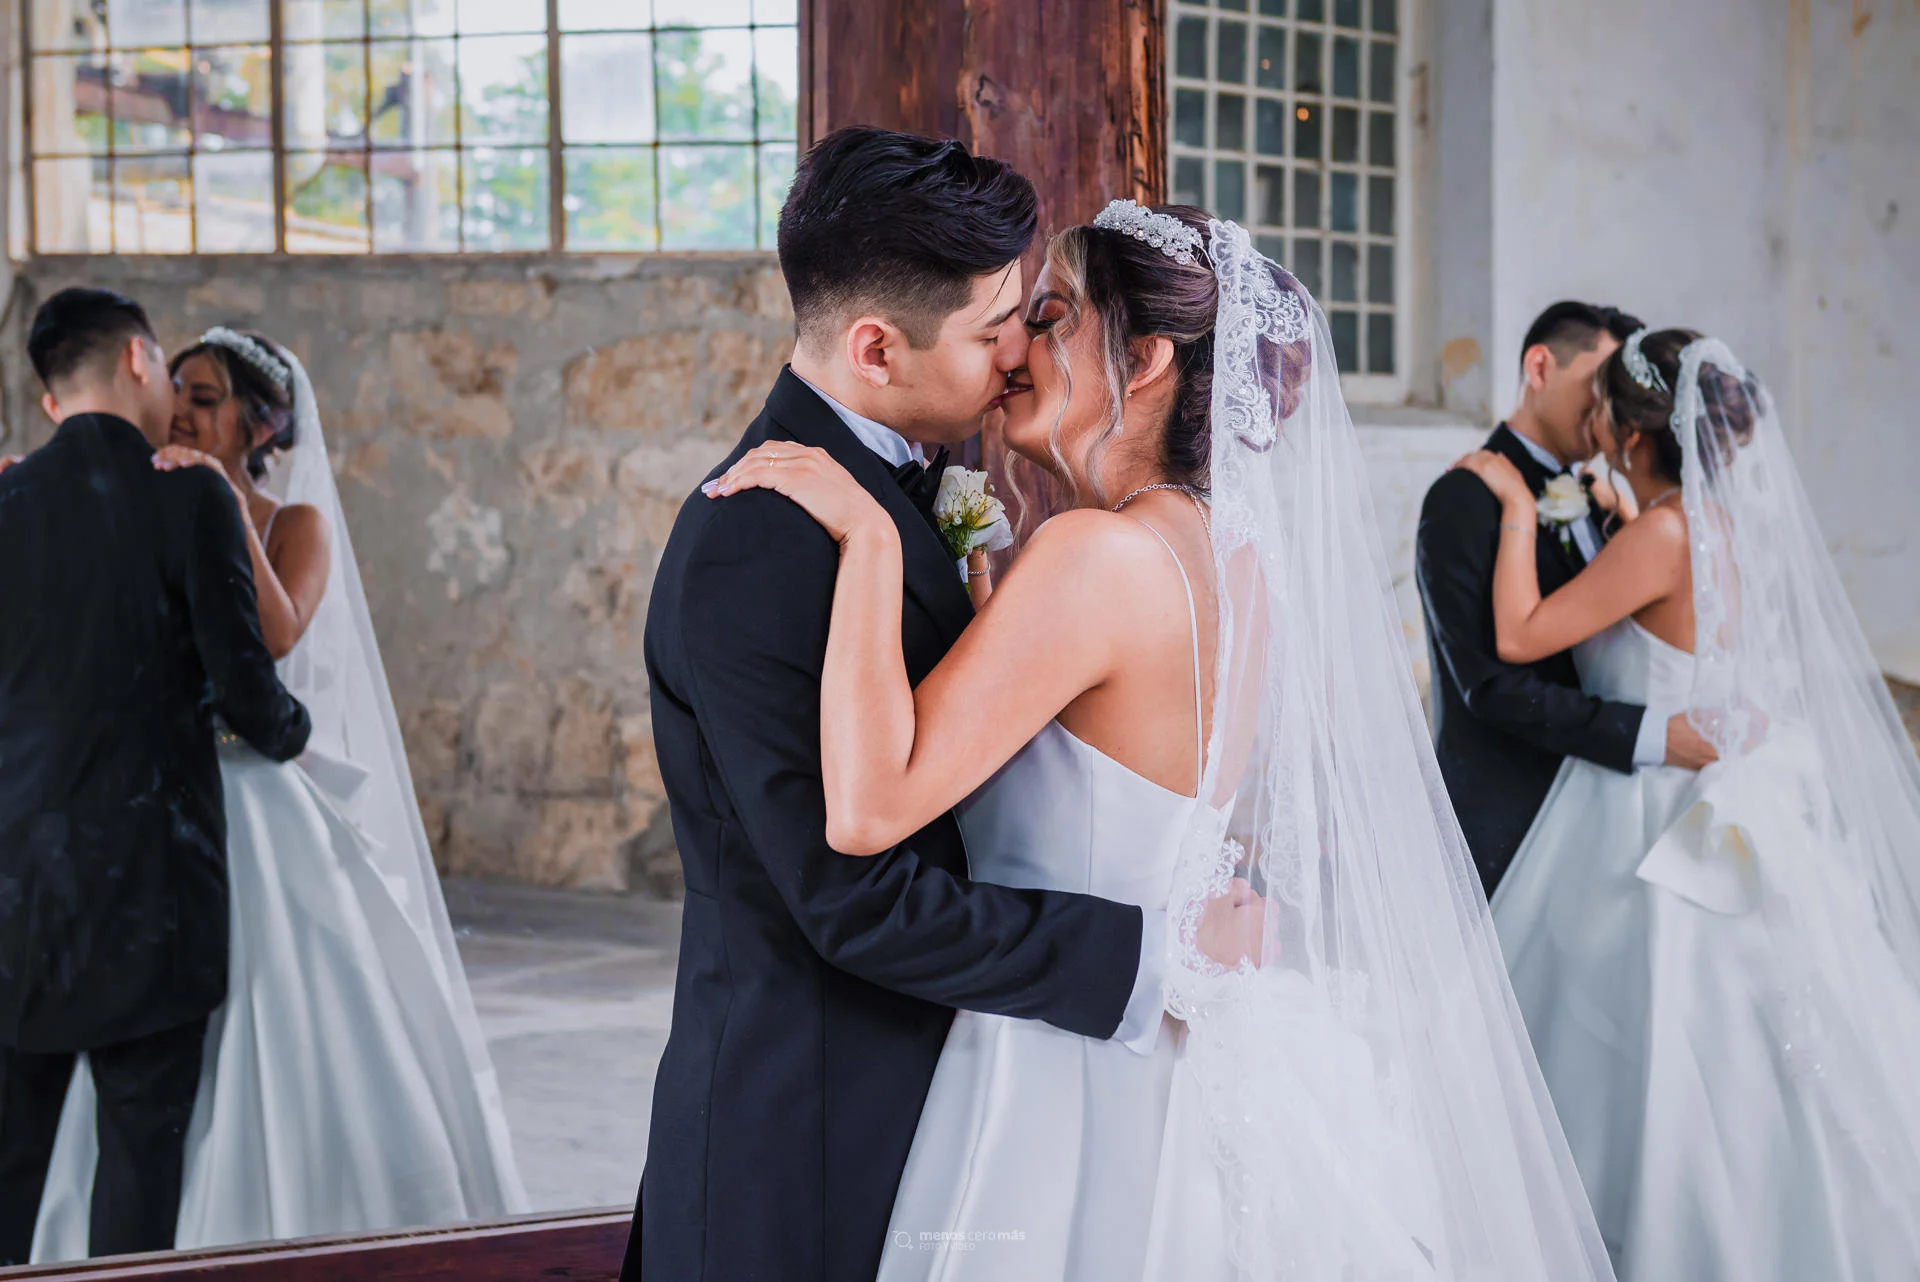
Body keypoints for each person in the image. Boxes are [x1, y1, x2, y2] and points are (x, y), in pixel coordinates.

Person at [713, 202, 1617, 1280]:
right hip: (1185, 1035)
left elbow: (867, 809)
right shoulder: (1232, 564)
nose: (1017, 352)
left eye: (1050, 317)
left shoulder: (1091, 556)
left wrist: (867, 533)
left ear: (1141, 360)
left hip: (1065, 1059)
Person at [628, 131, 1266, 1282]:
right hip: (815, 1133)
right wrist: (1158, 954)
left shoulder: (1004, 525)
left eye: (1043, 316)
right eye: (999, 329)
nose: (1021, 352)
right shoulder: (759, 540)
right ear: (877, 346)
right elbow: (852, 897)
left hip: (1022, 1094)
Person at [28, 326, 524, 1260]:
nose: (180, 408)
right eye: (177, 388)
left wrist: (217, 505)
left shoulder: (295, 523)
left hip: (254, 795)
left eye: (206, 397)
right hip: (151, 802)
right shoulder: (149, 503)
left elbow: (281, 637)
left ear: (261, 426)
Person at [1467, 329, 1920, 1280]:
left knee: (1645, 1043)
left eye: (1603, 412)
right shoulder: (1706, 527)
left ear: (1633, 436)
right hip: (1696, 784)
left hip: (1647, 814)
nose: (1590, 424)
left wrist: (1514, 507)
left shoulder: (1665, 536)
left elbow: (1519, 634)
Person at [0, 290, 311, 1263]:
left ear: (52, 393)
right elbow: (253, 698)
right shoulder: (188, 495)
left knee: (9, 1167)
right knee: (137, 1176)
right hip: (151, 897)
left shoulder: (6, 498)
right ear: (139, 359)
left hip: (17, 898)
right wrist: (298, 732)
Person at [1417, 301, 1717, 893]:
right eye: (1600, 383)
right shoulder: (1467, 497)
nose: (1612, 403)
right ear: (1539, 366)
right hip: (1511, 817)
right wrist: (1656, 734)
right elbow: (1493, 686)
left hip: (1610, 821)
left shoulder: (1608, 502)